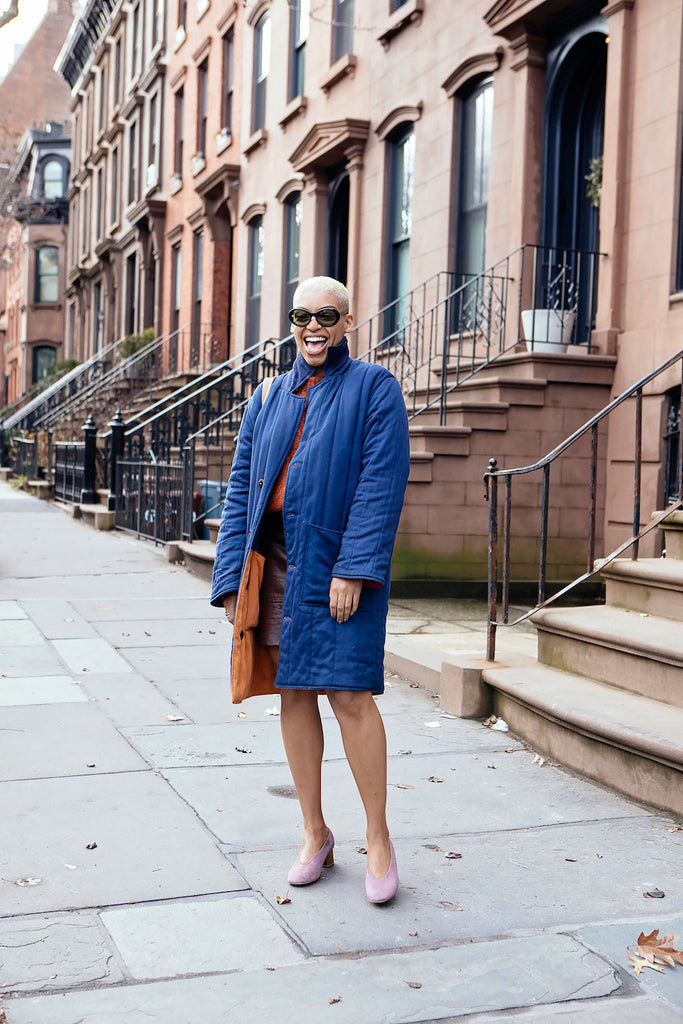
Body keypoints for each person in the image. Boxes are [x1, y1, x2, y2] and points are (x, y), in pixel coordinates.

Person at [210, 276, 410, 903]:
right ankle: (314, 833)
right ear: (291, 322)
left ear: (348, 321)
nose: (313, 326)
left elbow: (382, 481)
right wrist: (228, 581)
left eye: (327, 314)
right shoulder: (267, 397)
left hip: (335, 564)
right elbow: (242, 487)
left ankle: (378, 838)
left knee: (350, 696)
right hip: (271, 566)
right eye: (302, 315)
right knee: (294, 694)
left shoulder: (375, 388)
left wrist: (353, 568)